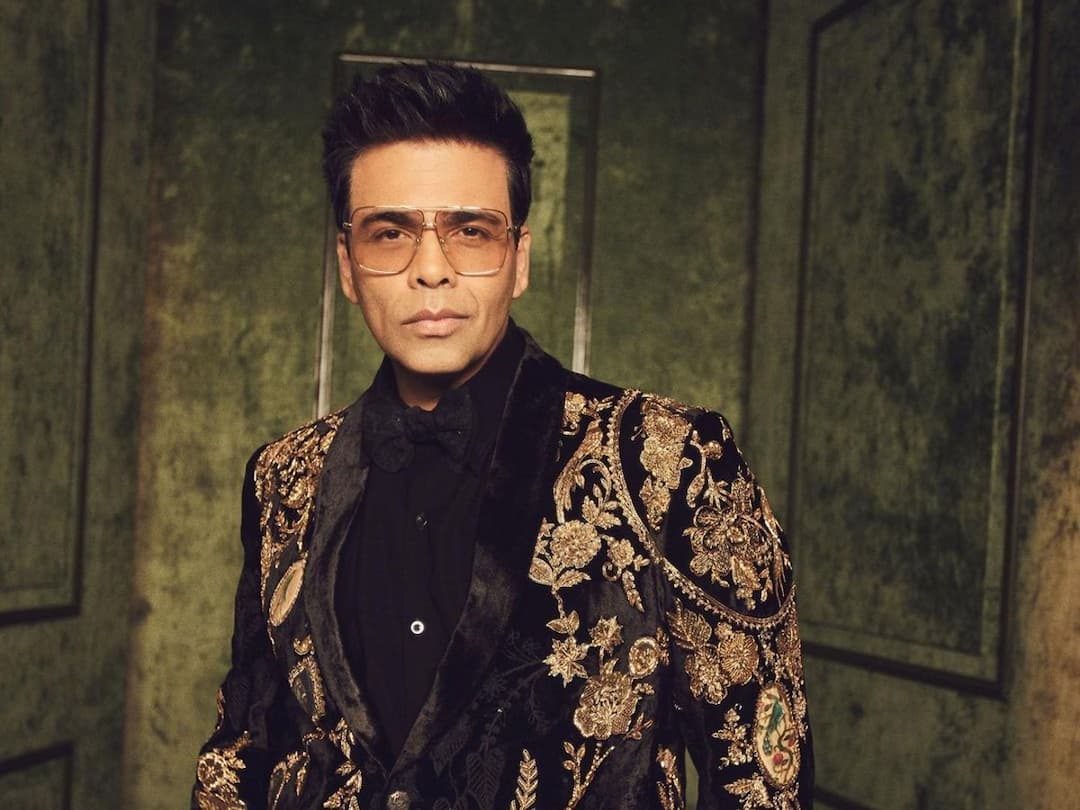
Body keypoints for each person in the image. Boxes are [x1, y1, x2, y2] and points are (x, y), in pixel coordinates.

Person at [192, 61, 812, 810]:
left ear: (518, 260)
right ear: (348, 265)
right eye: (390, 233)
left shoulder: (671, 459)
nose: (431, 270)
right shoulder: (283, 476)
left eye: (470, 231)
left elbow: (764, 785)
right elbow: (241, 755)